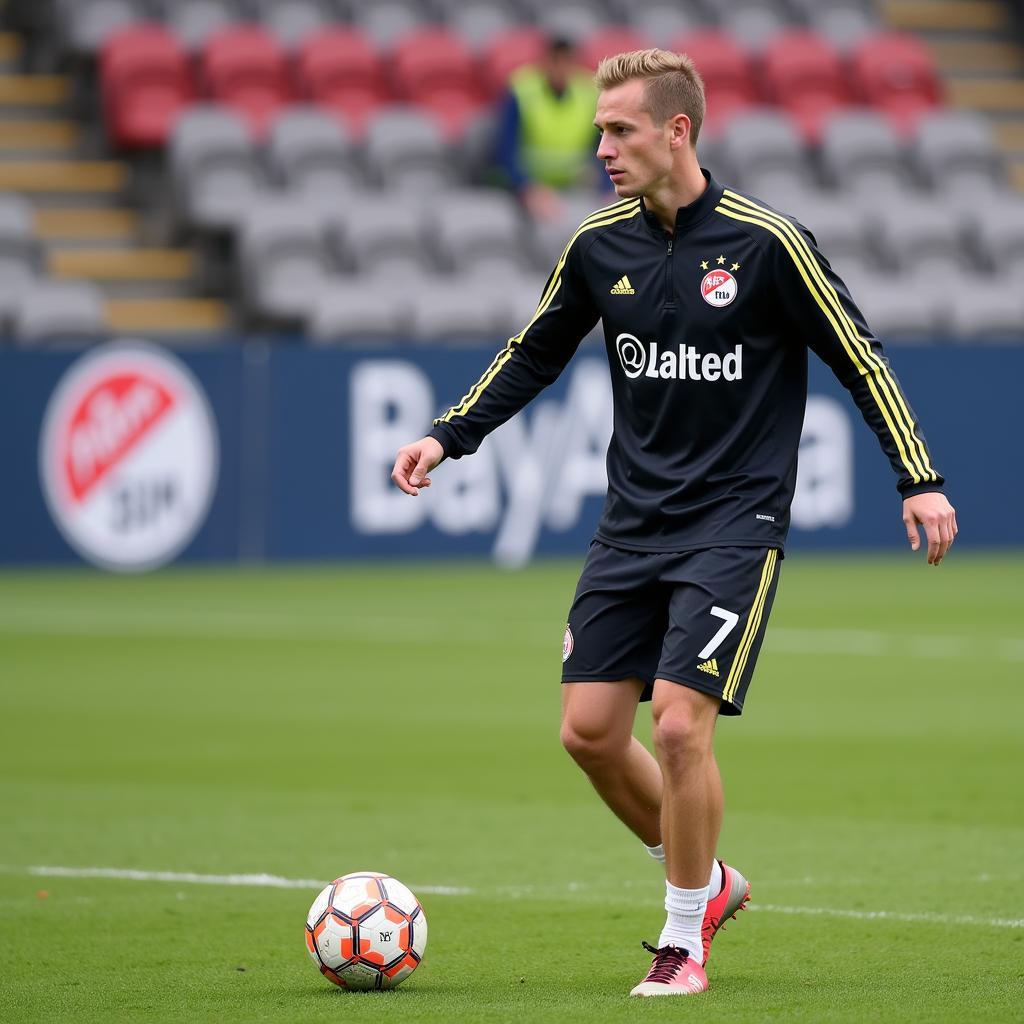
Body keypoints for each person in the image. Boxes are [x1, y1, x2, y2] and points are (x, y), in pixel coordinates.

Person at [392, 49, 957, 998]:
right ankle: (710, 875)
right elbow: (531, 354)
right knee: (589, 734)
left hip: (735, 524)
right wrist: (448, 437)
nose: (601, 148)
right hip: (632, 524)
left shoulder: (769, 244)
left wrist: (919, 477)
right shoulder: (596, 245)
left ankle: (684, 933)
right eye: (602, 131)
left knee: (683, 725)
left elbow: (860, 359)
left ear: (677, 131)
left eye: (619, 131)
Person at [495, 35, 600, 220]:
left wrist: (606, 187)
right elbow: (505, 150)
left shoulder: (589, 94)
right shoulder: (522, 90)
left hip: (575, 187)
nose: (560, 69)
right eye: (555, 61)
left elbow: (603, 147)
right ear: (545, 62)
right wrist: (527, 188)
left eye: (566, 62)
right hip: (529, 187)